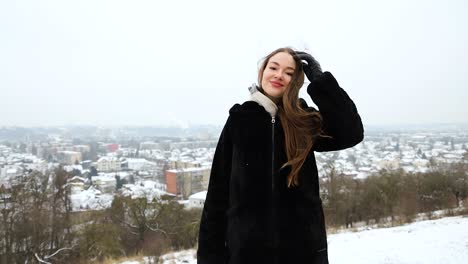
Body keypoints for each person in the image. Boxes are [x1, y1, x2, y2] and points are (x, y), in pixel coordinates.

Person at [197, 47, 364, 264]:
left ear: (295, 80)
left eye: (288, 72)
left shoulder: (303, 120)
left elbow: (351, 132)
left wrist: (321, 82)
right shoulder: (240, 120)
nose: (279, 75)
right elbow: (217, 198)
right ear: (262, 71)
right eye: (273, 67)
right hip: (247, 256)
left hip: (304, 254)